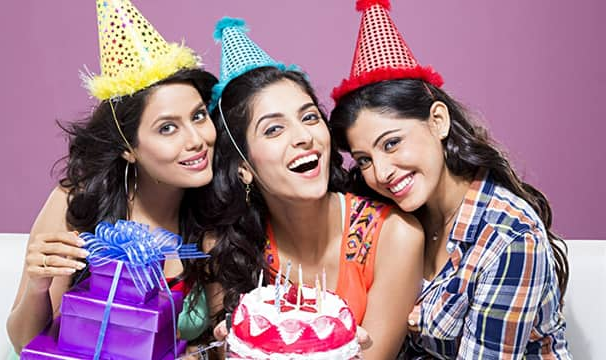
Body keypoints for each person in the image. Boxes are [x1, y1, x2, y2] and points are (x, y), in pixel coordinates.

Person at [329, 0, 571, 358]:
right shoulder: (394, 221)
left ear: (438, 121)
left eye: (392, 143)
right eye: (364, 159)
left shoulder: (508, 238)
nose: (380, 173)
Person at [182, 18, 424, 359]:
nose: (303, 137)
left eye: (309, 118)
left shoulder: (394, 236)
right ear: (244, 168)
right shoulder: (228, 247)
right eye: (273, 130)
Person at [6, 0, 216, 354]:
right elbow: (23, 341)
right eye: (168, 128)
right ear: (128, 148)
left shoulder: (217, 214)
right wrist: (38, 286)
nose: (197, 140)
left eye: (197, 116)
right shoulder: (78, 200)